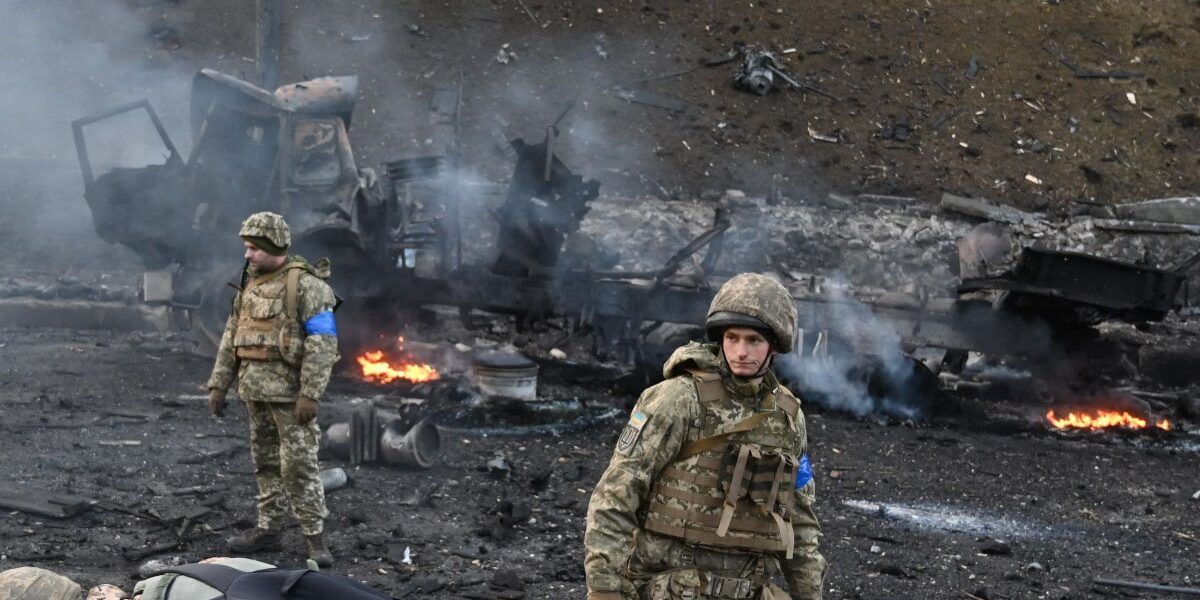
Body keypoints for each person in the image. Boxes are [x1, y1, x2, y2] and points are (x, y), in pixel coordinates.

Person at [584, 273, 826, 599]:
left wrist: (809, 594)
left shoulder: (788, 417)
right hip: (671, 588)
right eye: (732, 338)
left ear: (774, 346)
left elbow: (800, 520)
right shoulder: (678, 400)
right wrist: (604, 589)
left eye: (753, 340)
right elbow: (615, 497)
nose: (741, 351)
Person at [205, 212, 341, 567]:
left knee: (299, 467)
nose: (247, 254)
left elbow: (323, 344)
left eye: (254, 248)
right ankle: (269, 529)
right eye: (246, 247)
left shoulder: (309, 287)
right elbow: (232, 336)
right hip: (255, 393)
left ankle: (315, 539)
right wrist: (219, 384)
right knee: (265, 464)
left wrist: (310, 393)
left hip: (290, 398)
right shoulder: (250, 283)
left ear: (274, 246)